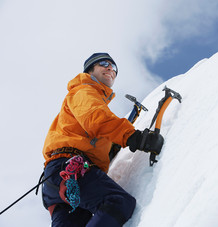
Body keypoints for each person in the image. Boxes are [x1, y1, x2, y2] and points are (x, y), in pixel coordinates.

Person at [41, 53, 164, 227]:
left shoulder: (86, 99)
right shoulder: (84, 90)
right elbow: (96, 118)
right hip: (70, 168)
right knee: (117, 202)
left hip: (57, 176)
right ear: (90, 70)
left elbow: (93, 130)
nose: (110, 69)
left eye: (114, 68)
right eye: (104, 64)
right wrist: (134, 137)